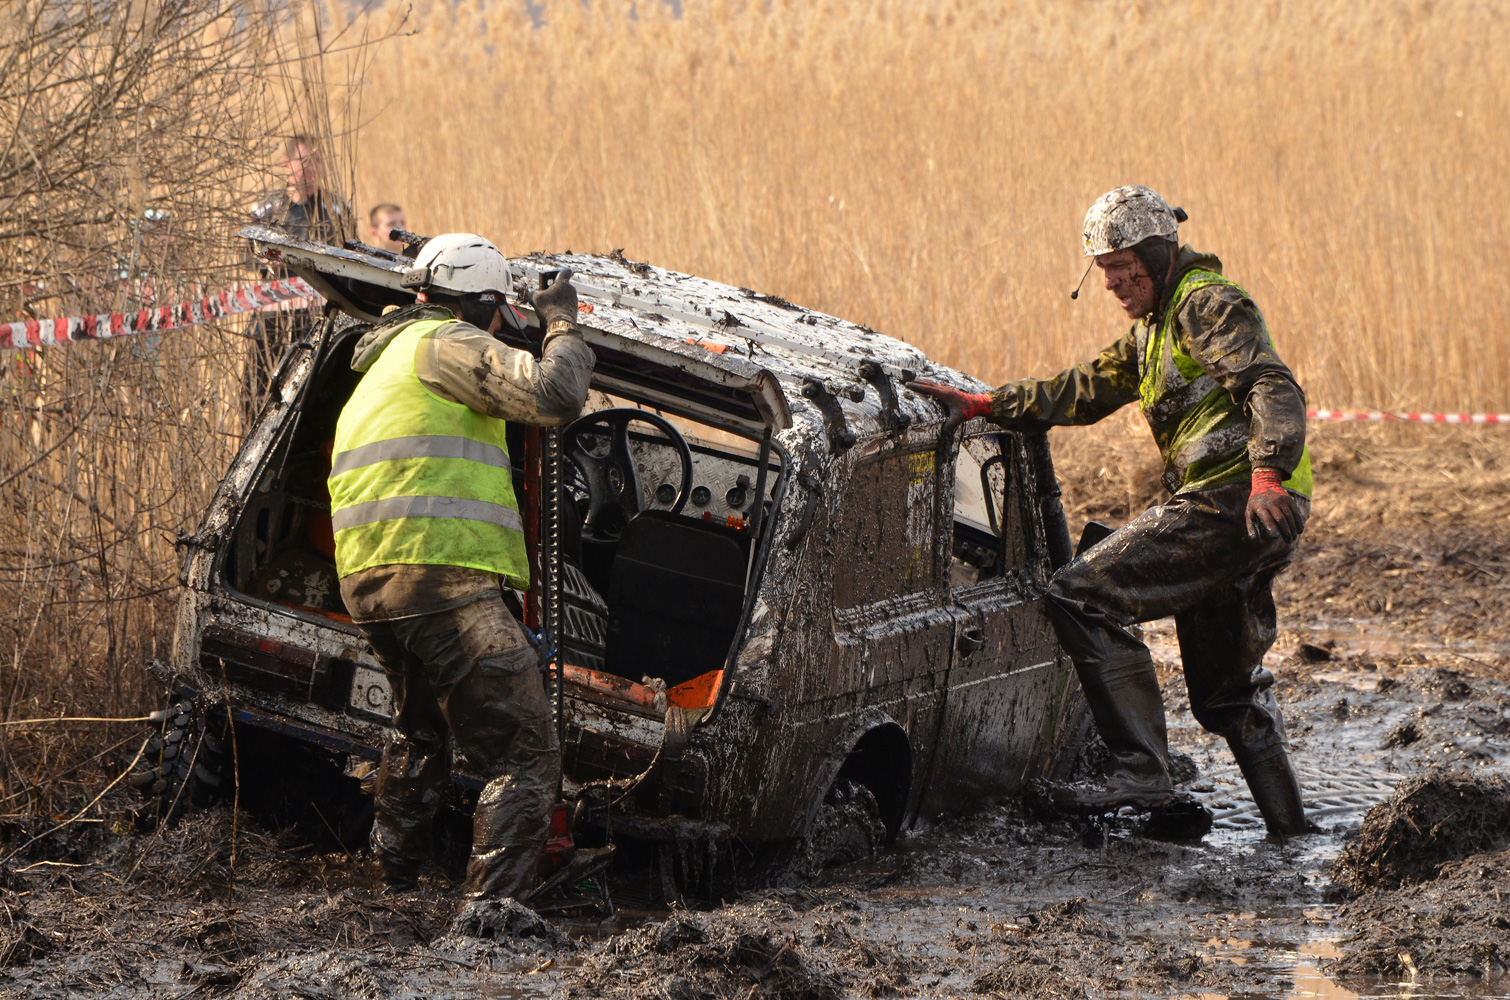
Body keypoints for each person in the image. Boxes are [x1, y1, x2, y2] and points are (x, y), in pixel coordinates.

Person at [909, 186, 1314, 837]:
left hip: (1236, 497)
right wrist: (989, 407)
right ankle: (1293, 838)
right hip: (1249, 512)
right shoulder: (1151, 334)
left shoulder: (1204, 305)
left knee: (1080, 591)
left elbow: (1270, 384)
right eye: (1106, 273)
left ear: (1160, 254)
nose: (1115, 285)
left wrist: (1268, 471)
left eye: (1126, 269)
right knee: (1227, 697)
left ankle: (1141, 766)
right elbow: (1085, 388)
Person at [326, 233, 596, 898]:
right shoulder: (448, 342)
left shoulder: (386, 356)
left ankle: (390, 886)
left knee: (420, 736)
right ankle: (487, 922)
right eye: (500, 313)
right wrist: (561, 321)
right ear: (484, 306)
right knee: (527, 755)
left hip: (371, 579)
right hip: (440, 574)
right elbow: (558, 393)